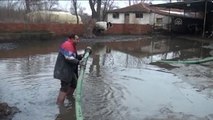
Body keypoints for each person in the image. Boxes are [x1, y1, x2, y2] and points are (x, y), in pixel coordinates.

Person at [54, 33, 83, 105]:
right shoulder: (67, 45)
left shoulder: (71, 45)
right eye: (77, 39)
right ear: (72, 39)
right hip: (64, 71)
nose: (78, 41)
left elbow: (73, 56)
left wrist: (81, 56)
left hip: (69, 71)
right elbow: (68, 58)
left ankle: (69, 97)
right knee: (64, 87)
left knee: (74, 84)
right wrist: (79, 62)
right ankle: (59, 104)